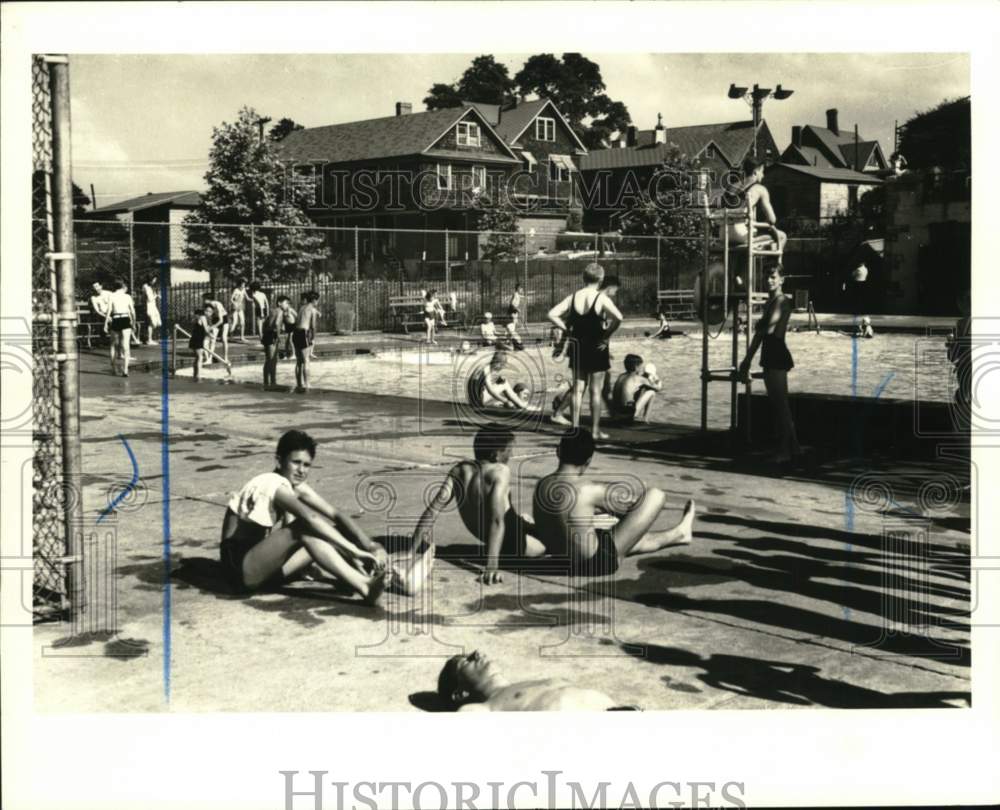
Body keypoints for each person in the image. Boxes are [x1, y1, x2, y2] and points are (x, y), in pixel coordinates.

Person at [220, 430, 388, 603]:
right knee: (305, 527)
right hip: (238, 571)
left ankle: (368, 577)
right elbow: (310, 518)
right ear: (279, 461)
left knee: (333, 532)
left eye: (307, 465)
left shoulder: (293, 485)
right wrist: (353, 551)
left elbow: (336, 514)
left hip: (261, 569)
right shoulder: (271, 483)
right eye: (296, 462)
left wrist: (370, 546)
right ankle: (364, 585)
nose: (301, 470)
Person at [533, 429, 696, 578]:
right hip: (595, 564)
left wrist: (594, 512)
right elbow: (632, 509)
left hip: (563, 562)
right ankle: (680, 533)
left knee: (627, 539)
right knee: (656, 496)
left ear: (558, 451)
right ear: (588, 461)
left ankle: (680, 534)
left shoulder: (541, 485)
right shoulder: (589, 489)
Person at [411, 427, 545, 585]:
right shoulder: (499, 471)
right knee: (552, 543)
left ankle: (526, 525)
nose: (512, 455)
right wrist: (492, 566)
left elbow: (433, 510)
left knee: (525, 520)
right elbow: (496, 520)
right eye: (509, 450)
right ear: (495, 454)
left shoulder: (459, 470)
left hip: (494, 535)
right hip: (511, 545)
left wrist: (412, 549)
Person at [547, 265, 623, 440]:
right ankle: (595, 431)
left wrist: (566, 328)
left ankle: (575, 428)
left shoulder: (573, 297)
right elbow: (619, 317)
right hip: (597, 346)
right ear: (601, 280)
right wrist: (607, 335)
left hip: (577, 346)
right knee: (596, 391)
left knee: (578, 389)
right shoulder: (600, 298)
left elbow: (552, 314)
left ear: (583, 278)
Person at [737, 264, 803, 466]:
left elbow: (769, 328)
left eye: (773, 277)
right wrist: (747, 359)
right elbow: (761, 332)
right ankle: (795, 448)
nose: (769, 280)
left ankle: (785, 451)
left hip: (776, 352)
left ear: (782, 280)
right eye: (767, 277)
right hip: (770, 351)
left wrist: (747, 360)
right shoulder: (770, 302)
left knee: (780, 405)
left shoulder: (782, 301)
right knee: (779, 404)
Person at [437, 650, 641, 711]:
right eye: (466, 662)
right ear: (460, 693)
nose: (478, 654)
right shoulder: (482, 709)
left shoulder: (528, 684)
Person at [728, 157, 786, 255]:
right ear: (755, 172)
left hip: (723, 233)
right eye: (762, 171)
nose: (763, 175)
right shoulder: (759, 189)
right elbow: (772, 220)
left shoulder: (731, 187)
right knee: (781, 236)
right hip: (741, 235)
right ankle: (771, 268)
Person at [466, 350, 532, 412]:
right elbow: (490, 391)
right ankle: (522, 405)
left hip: (472, 400)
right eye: (502, 366)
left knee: (502, 384)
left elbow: (474, 384)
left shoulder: (482, 366)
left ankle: (515, 401)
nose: (501, 369)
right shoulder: (486, 370)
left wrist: (497, 382)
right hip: (478, 402)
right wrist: (505, 401)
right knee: (505, 384)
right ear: (498, 363)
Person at [608, 354, 660, 423]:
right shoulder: (639, 379)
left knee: (641, 388)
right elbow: (658, 388)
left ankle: (625, 416)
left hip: (616, 414)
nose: (641, 368)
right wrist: (656, 378)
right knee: (652, 392)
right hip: (627, 416)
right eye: (640, 366)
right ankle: (645, 419)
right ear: (636, 367)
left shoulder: (621, 376)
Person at [104, 278, 137, 377]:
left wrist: (105, 323)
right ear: (122, 286)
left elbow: (109, 310)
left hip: (116, 319)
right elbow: (132, 311)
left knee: (113, 345)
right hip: (125, 318)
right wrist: (134, 323)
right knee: (126, 345)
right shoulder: (127, 296)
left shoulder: (112, 296)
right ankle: (126, 369)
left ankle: (114, 369)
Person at [293, 290, 320, 393]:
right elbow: (313, 326)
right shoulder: (312, 310)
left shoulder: (301, 308)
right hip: (304, 333)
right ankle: (307, 383)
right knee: (306, 360)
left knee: (299, 362)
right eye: (317, 300)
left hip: (296, 333)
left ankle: (299, 383)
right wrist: (313, 338)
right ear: (314, 300)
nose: (317, 302)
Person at [261, 295, 288, 388]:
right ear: (279, 303)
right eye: (286, 303)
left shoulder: (272, 311)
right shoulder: (279, 311)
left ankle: (266, 381)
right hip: (272, 335)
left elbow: (265, 323)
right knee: (272, 360)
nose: (287, 305)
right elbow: (276, 324)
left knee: (269, 360)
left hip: (267, 335)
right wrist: (278, 336)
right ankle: (272, 382)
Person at [90, 281, 114, 366]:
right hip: (101, 316)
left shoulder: (109, 293)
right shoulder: (93, 298)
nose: (96, 288)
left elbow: (113, 305)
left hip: (112, 314)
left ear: (101, 285)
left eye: (97, 286)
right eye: (94, 287)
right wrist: (106, 317)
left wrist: (109, 316)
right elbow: (97, 311)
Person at [189, 304, 213, 381]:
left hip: (197, 338)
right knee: (200, 357)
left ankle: (195, 374)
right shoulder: (203, 317)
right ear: (204, 311)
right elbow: (206, 330)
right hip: (197, 339)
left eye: (210, 311)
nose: (208, 313)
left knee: (197, 357)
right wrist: (211, 335)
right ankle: (198, 375)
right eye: (207, 311)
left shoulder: (201, 318)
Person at [203, 294, 229, 364]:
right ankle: (209, 359)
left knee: (224, 338)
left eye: (204, 299)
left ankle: (225, 358)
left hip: (223, 319)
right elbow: (208, 317)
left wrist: (211, 327)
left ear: (209, 299)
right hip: (215, 319)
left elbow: (221, 321)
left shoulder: (218, 304)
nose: (203, 301)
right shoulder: (207, 306)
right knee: (213, 339)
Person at [141, 276, 162, 346]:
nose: (154, 281)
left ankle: (149, 338)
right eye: (154, 280)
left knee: (153, 323)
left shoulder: (148, 287)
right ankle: (149, 339)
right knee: (151, 323)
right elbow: (150, 299)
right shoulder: (146, 287)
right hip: (149, 306)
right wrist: (156, 296)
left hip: (152, 306)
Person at [229, 278, 249, 343]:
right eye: (242, 284)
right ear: (239, 284)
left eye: (244, 285)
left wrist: (252, 299)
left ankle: (242, 337)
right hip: (235, 307)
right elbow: (231, 299)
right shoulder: (236, 290)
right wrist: (235, 304)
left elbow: (247, 297)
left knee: (242, 322)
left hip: (240, 307)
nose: (243, 286)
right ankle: (231, 337)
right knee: (235, 322)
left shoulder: (243, 290)